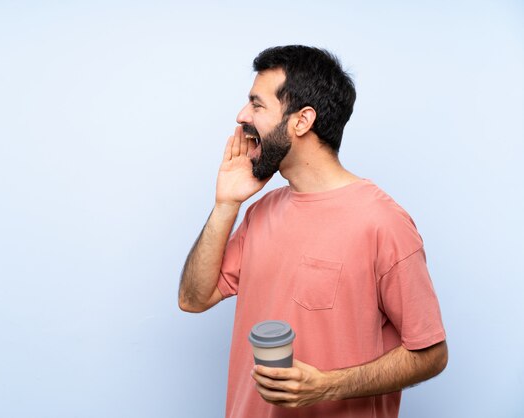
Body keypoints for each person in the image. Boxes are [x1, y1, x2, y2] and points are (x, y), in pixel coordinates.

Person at [178, 45, 447, 418]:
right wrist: (226, 205)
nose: (242, 116)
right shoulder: (261, 212)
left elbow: (431, 354)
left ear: (302, 121)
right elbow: (193, 298)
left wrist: (327, 386)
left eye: (257, 105)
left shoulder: (383, 223)